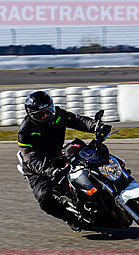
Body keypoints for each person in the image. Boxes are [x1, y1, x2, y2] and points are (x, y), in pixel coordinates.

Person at [17, 90, 112, 231]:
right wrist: (49, 170)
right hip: (37, 167)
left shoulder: (58, 114)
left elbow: (78, 120)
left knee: (89, 156)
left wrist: (96, 126)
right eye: (41, 114)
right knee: (44, 199)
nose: (47, 116)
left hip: (57, 154)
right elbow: (30, 157)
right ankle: (71, 219)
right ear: (31, 114)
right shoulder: (26, 130)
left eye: (48, 111)